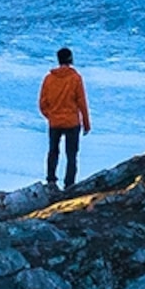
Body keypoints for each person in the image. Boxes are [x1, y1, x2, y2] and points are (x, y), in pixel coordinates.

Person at [39, 46, 90, 189]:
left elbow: (42, 103)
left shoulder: (49, 79)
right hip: (72, 122)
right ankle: (69, 185)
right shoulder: (75, 78)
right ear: (71, 59)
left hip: (55, 122)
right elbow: (82, 102)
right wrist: (86, 124)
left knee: (53, 151)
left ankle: (51, 181)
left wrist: (51, 116)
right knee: (71, 155)